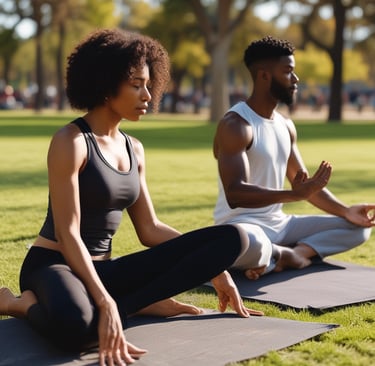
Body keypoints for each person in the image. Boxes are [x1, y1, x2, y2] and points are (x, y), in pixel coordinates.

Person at [0, 29, 263, 366]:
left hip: (105, 269)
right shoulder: (72, 141)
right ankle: (17, 303)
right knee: (77, 330)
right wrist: (106, 303)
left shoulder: (134, 148)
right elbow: (67, 234)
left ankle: (128, 303)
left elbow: (150, 229)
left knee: (233, 238)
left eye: (149, 85)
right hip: (56, 265)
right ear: (107, 85)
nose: (148, 95)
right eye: (136, 84)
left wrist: (216, 270)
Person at [213, 35, 375, 280]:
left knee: (357, 228)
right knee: (239, 243)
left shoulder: (285, 125)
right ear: (264, 75)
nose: (295, 79)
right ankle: (274, 255)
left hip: (281, 225)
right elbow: (235, 194)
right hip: (243, 226)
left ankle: (293, 254)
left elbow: (304, 186)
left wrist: (345, 211)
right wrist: (294, 195)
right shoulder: (236, 125)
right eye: (288, 71)